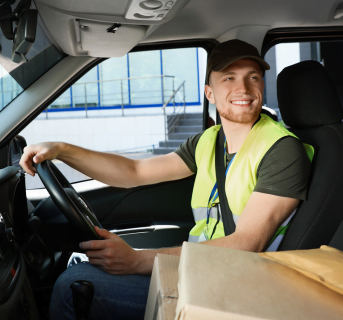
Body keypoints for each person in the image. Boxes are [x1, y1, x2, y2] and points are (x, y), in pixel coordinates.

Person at [20, 39, 312, 320]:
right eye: (229, 78)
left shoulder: (281, 149)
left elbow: (247, 242)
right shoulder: (209, 142)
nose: (244, 88)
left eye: (253, 77)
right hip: (202, 272)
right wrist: (62, 150)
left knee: (71, 287)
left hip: (241, 286)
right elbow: (135, 172)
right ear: (210, 93)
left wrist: (138, 260)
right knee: (79, 274)